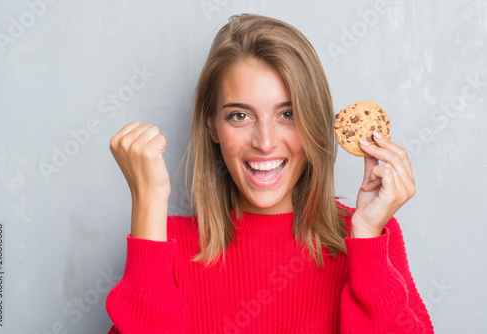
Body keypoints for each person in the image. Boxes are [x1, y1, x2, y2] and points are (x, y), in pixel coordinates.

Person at [105, 13, 434, 333]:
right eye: (239, 116)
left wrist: (366, 239)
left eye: (287, 114)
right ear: (212, 126)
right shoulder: (164, 243)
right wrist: (147, 201)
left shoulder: (371, 238)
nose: (264, 142)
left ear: (314, 123)